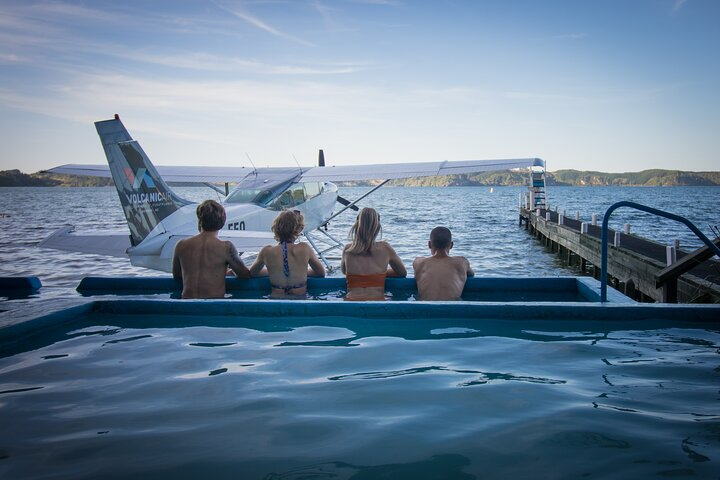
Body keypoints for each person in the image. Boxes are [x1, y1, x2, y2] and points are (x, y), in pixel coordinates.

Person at [172, 199, 250, 299]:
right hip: (213, 306)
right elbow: (244, 275)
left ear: (200, 221)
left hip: (186, 303)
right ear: (222, 221)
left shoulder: (181, 245)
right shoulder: (226, 247)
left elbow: (177, 276)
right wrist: (227, 272)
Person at [250, 210, 325, 298]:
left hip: (276, 298)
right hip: (300, 298)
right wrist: (301, 272)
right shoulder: (304, 248)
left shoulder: (267, 251)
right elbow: (320, 273)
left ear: (276, 228)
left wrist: (274, 271)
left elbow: (253, 273)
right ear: (299, 229)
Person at [341, 207, 407, 301]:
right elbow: (402, 273)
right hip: (378, 303)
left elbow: (345, 271)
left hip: (351, 302)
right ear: (378, 227)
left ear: (356, 225)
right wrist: (381, 273)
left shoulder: (348, 250)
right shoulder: (386, 248)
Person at [413, 226, 475, 301]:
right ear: (451, 245)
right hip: (453, 310)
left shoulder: (419, 262)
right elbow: (471, 274)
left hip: (424, 310)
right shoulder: (462, 263)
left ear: (429, 244)